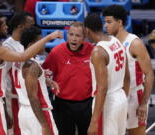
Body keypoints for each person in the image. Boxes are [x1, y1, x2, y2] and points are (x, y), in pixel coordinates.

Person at [0, 11, 62, 135]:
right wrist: (49, 37)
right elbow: (23, 56)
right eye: (3, 24)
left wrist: (43, 78)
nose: (7, 26)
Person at [103, 5, 154, 135]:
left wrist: (143, 103)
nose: (105, 26)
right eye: (105, 22)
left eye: (109, 22)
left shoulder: (134, 43)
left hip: (134, 97)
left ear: (120, 22)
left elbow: (149, 74)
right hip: (114, 95)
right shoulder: (107, 42)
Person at [42, 22, 94, 135]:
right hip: (63, 105)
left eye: (78, 35)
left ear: (84, 38)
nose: (74, 38)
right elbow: (42, 73)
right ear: (67, 35)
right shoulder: (56, 52)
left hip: (87, 104)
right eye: (71, 34)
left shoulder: (93, 51)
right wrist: (49, 81)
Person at [84, 13, 130, 135]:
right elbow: (127, 77)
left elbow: (102, 88)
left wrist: (94, 122)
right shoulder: (116, 41)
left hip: (107, 103)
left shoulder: (98, 52)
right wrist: (124, 100)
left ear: (87, 30)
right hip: (121, 97)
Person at [12, 26, 58, 135]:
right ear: (32, 45)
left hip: (24, 112)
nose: (43, 44)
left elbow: (25, 80)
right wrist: (44, 125)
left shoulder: (17, 60)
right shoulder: (32, 66)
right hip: (38, 113)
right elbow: (32, 97)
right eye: (40, 41)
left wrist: (45, 81)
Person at [3, 11, 35, 135]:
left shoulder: (25, 44)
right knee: (15, 131)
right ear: (20, 27)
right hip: (14, 97)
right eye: (30, 25)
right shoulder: (7, 47)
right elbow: (3, 75)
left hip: (26, 97)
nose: (33, 28)